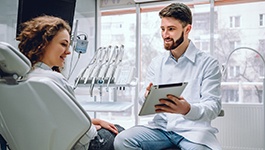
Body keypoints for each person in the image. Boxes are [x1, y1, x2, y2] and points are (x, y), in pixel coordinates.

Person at [114, 3, 222, 150]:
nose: (165, 35)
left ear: (187, 29)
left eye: (171, 29)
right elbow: (141, 98)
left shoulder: (208, 63)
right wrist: (147, 95)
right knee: (122, 140)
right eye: (163, 29)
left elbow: (213, 106)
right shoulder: (157, 63)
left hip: (193, 131)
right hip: (161, 129)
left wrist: (187, 109)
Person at [16, 15, 124, 150]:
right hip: (83, 145)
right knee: (121, 132)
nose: (68, 52)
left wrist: (95, 122)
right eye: (63, 44)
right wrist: (91, 127)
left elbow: (58, 118)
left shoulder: (22, 79)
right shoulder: (54, 80)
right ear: (42, 44)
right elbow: (83, 133)